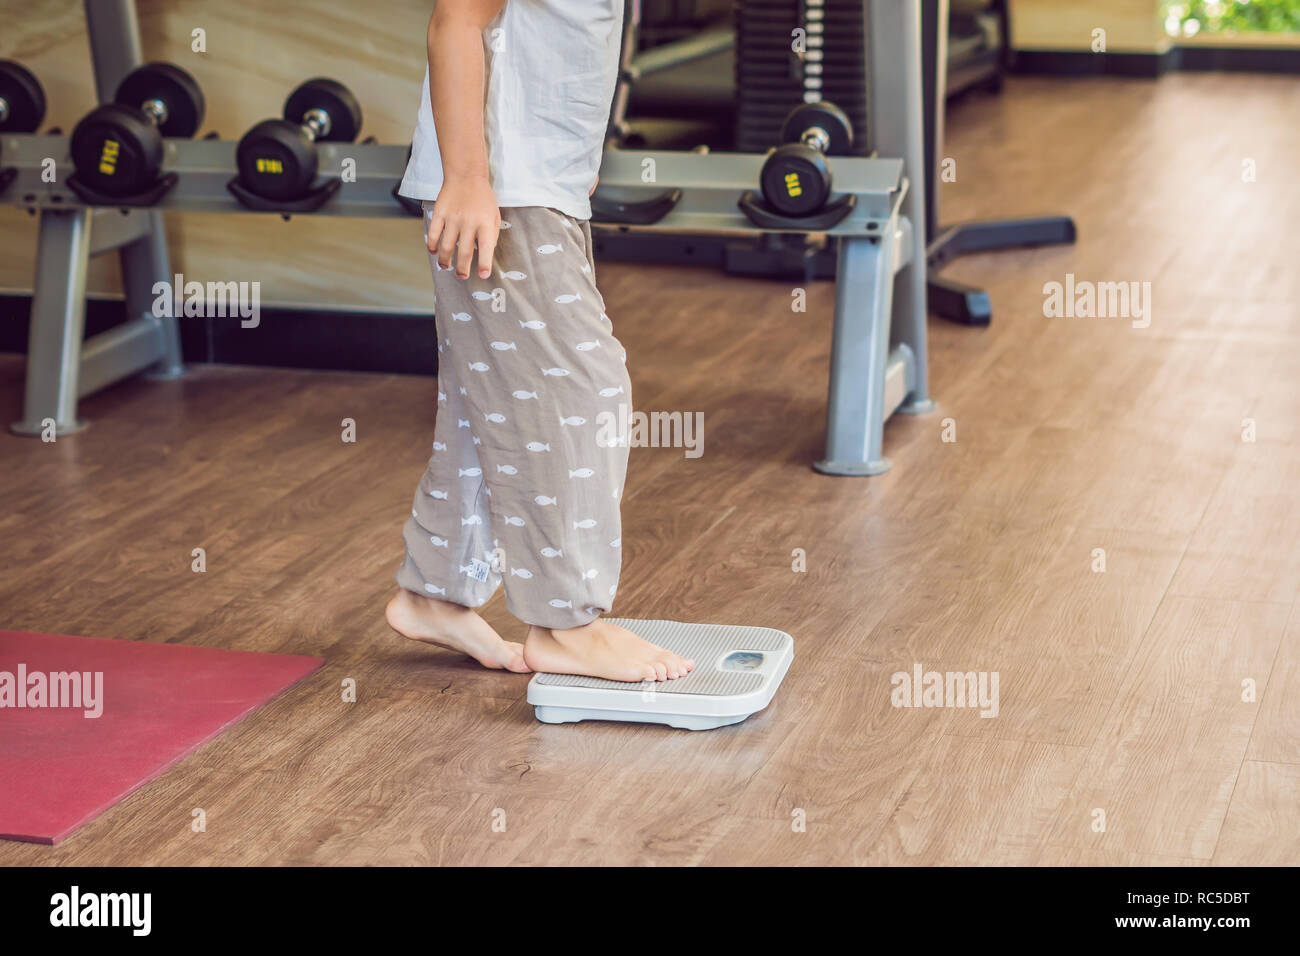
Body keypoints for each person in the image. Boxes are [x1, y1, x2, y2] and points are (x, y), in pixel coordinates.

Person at [385, 0, 695, 683]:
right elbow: (458, 20)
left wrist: (576, 153)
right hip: (500, 188)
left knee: (488, 401)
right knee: (581, 389)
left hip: (537, 181)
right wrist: (468, 180)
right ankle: (565, 625)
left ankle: (434, 591)